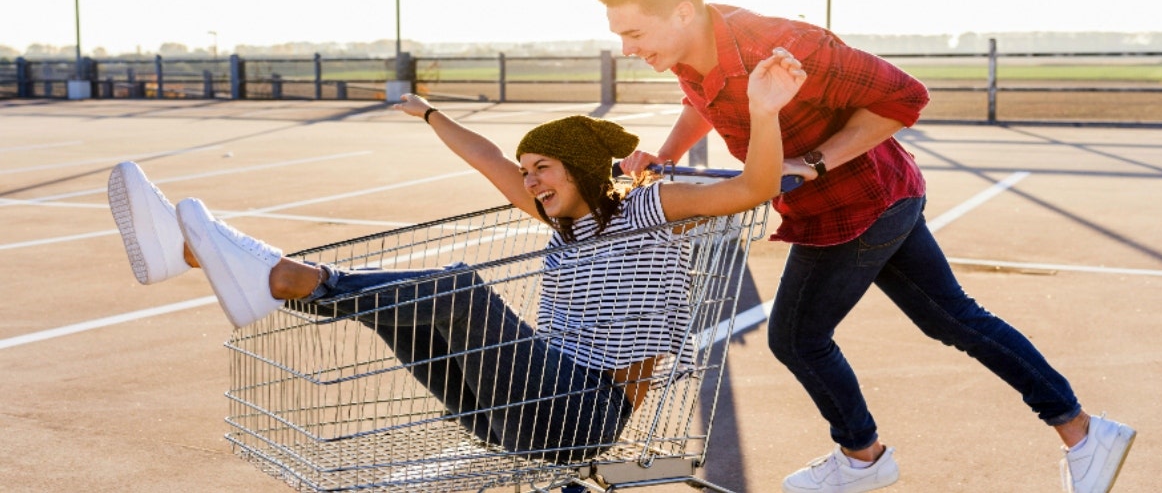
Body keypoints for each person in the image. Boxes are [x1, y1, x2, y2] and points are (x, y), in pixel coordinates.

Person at [594, 0, 1135, 493]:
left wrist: (813, 162)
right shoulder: (691, 49)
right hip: (875, 199)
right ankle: (1084, 432)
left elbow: (906, 96)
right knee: (953, 318)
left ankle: (862, 456)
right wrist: (662, 156)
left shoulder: (783, 48)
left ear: (684, 12)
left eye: (635, 33)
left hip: (855, 206)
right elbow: (703, 101)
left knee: (798, 339)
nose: (628, 48)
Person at [105, 49, 806, 464]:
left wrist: (766, 111)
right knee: (409, 313)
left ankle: (284, 276)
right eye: (530, 172)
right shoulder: (558, 221)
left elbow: (758, 186)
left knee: (455, 290)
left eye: (545, 168)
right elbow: (490, 158)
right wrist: (433, 114)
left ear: (587, 165)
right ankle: (207, 259)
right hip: (515, 404)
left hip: (581, 414)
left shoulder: (650, 207)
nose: (530, 180)